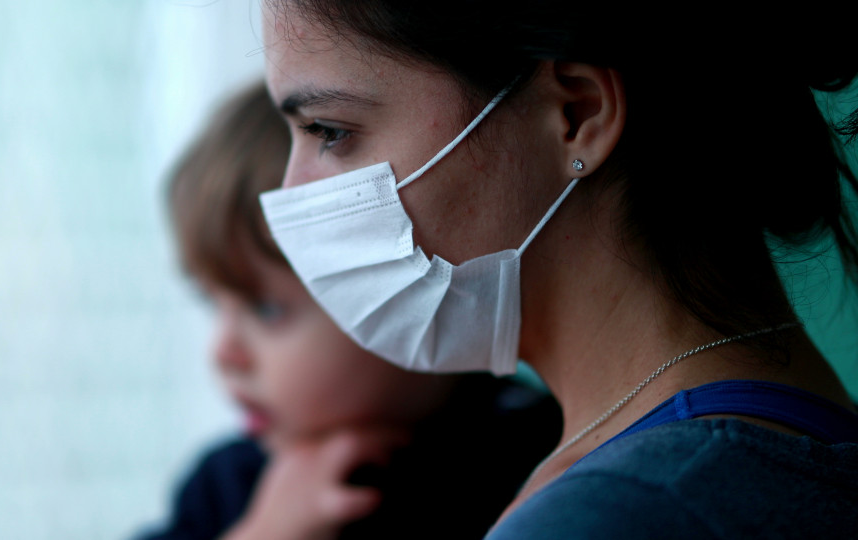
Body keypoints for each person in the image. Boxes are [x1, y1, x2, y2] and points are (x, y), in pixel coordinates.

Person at [257, 1, 858, 538]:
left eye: (329, 131)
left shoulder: (626, 512)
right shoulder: (789, 445)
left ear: (577, 112)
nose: (291, 193)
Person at [134, 80, 561, 540]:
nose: (223, 352)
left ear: (393, 277)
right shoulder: (227, 486)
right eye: (212, 303)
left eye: (266, 310)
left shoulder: (541, 455)